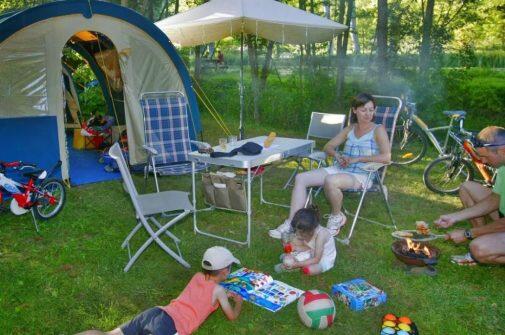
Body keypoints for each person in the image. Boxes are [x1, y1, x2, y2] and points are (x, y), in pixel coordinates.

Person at [269, 93, 391, 238]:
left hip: (362, 173)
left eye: (371, 110)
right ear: (354, 110)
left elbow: (386, 157)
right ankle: (291, 223)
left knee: (331, 181)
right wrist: (338, 156)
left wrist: (357, 159)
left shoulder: (378, 129)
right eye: (364, 110)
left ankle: (336, 216)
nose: (368, 114)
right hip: (340, 168)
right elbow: (329, 146)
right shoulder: (350, 129)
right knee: (301, 178)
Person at [76, 246, 243, 335]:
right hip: (171, 327)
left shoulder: (198, 276)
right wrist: (238, 302)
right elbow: (232, 316)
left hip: (156, 313)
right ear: (225, 271)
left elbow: (200, 295)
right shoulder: (219, 291)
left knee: (110, 334)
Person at [435, 126, 505, 265]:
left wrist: (468, 233)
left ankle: (486, 244)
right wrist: (454, 217)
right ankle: (489, 238)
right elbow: (494, 201)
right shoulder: (503, 167)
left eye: (485, 156)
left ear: (502, 150)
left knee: (478, 249)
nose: (483, 162)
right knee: (467, 187)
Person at [275, 206, 337, 275]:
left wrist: (297, 264)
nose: (298, 234)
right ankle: (294, 261)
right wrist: (286, 244)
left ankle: (296, 265)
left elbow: (316, 259)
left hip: (322, 258)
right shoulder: (305, 231)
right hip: (310, 250)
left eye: (301, 232)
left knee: (309, 270)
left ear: (311, 230)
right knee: (293, 241)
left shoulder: (321, 235)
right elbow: (303, 245)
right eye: (296, 230)